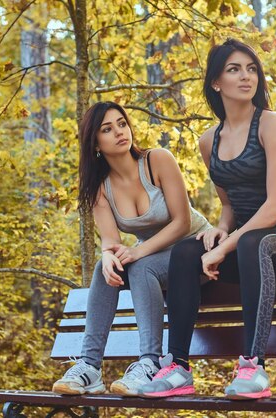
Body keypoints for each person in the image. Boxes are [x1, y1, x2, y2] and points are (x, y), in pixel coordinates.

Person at [139, 39, 276, 399]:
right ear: (216, 82)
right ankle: (178, 367)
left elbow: (275, 208)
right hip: (249, 245)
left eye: (251, 68)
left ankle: (253, 367)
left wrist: (225, 246)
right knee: (185, 252)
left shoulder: (272, 124)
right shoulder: (209, 141)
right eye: (234, 69)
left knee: (251, 242)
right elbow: (229, 205)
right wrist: (220, 229)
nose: (246, 76)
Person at [52, 102, 211, 396]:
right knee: (106, 266)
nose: (119, 132)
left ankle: (149, 362)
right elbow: (110, 242)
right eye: (107, 129)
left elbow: (182, 221)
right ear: (95, 143)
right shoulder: (99, 186)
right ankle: (89, 365)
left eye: (122, 124)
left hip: (197, 250)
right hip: (154, 258)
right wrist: (109, 255)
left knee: (140, 264)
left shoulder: (157, 160)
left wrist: (137, 252)